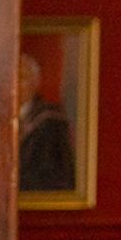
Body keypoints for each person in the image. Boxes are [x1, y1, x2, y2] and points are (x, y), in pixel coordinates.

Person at [17, 51, 74, 193]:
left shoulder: (52, 120)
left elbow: (60, 172)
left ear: (35, 83)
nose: (15, 83)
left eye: (22, 77)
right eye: (11, 77)